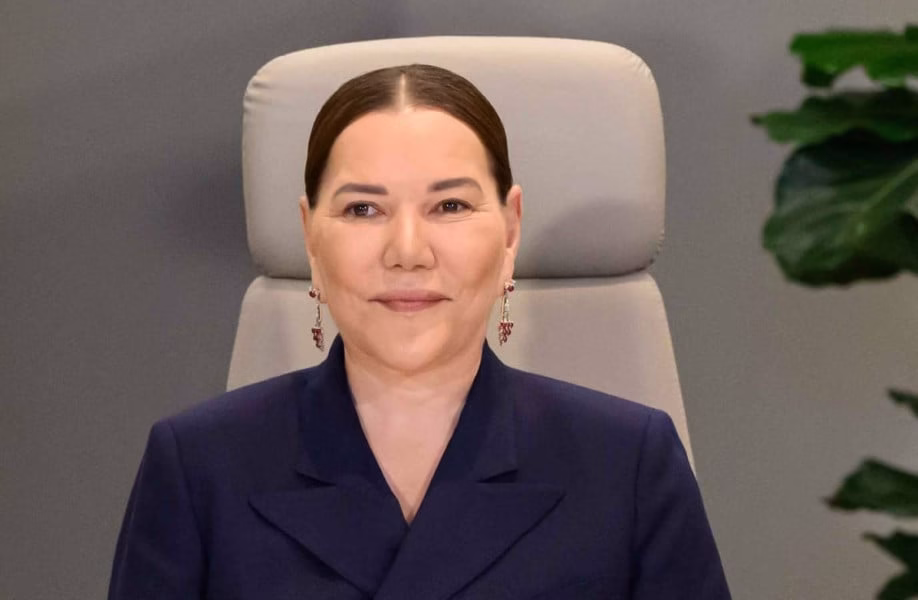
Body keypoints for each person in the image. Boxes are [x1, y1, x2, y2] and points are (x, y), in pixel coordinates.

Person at [109, 64, 732, 599]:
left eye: (450, 206)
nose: (407, 251)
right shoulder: (197, 467)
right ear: (310, 239)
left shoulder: (629, 466)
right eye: (363, 209)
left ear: (510, 231)